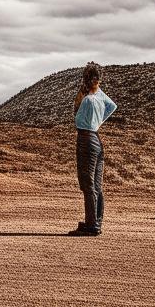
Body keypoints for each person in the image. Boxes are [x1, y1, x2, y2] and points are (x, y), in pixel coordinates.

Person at [67, 61, 117, 237]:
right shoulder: (100, 95)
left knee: (87, 183)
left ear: (86, 80)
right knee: (97, 184)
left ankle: (91, 225)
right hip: (96, 138)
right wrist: (99, 122)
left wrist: (79, 100)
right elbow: (112, 106)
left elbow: (77, 118)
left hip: (86, 139)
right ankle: (97, 221)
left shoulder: (87, 99)